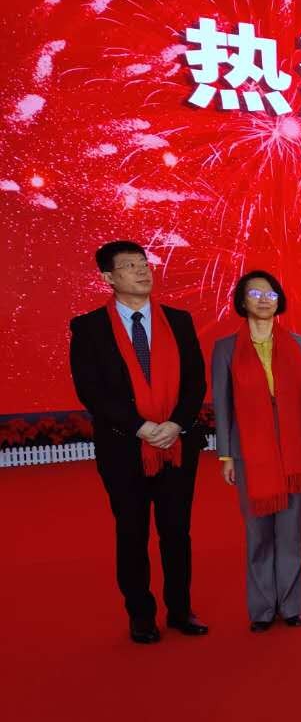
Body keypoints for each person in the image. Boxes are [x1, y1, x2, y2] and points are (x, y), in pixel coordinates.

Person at [68, 241, 209, 644]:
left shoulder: (178, 321)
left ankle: (180, 610)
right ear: (108, 278)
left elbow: (195, 380)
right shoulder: (90, 327)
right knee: (132, 532)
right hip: (123, 448)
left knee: (176, 532)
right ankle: (141, 615)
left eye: (144, 263)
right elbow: (91, 390)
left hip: (177, 445)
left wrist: (176, 423)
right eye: (130, 266)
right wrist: (140, 427)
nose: (143, 271)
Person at [213, 270, 301, 631]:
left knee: (290, 533)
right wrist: (226, 455)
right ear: (242, 301)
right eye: (255, 294)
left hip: (291, 454)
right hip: (249, 453)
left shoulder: (299, 345)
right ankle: (261, 608)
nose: (263, 300)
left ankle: (291, 604)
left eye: (271, 295)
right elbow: (222, 403)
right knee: (258, 534)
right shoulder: (226, 348)